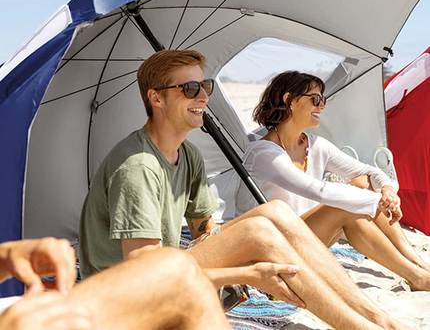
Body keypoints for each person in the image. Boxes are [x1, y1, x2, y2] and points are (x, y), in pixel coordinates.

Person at [79, 49, 413, 330]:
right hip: (127, 300)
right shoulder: (137, 166)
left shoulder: (188, 155)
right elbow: (142, 270)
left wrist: (239, 249)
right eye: (190, 88)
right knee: (258, 229)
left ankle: (377, 318)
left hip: (168, 270)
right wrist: (247, 273)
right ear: (156, 98)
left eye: (205, 85)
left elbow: (203, 232)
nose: (203, 97)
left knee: (275, 213)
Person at [236, 70, 430, 291]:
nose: (322, 106)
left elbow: (368, 171)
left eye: (323, 100)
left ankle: (418, 264)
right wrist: (375, 202)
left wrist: (387, 191)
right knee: (345, 206)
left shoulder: (314, 144)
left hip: (303, 236)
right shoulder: (263, 154)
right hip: (268, 247)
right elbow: (318, 191)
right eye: (315, 99)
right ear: (288, 100)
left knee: (363, 183)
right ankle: (416, 277)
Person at [0, 237, 231, 330]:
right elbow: (140, 256)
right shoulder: (136, 167)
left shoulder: (188, 159)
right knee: (178, 274)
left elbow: (204, 224)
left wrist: (8, 255)